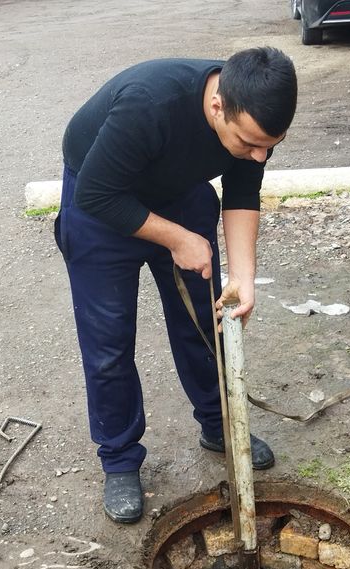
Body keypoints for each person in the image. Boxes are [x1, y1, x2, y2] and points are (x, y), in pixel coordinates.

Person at [55, 47, 297, 523]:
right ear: (216, 107)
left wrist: (243, 278)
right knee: (109, 343)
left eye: (270, 144)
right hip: (100, 201)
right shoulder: (150, 103)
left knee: (203, 323)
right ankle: (120, 460)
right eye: (249, 143)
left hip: (178, 192)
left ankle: (219, 425)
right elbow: (98, 195)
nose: (259, 154)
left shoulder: (255, 116)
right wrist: (177, 237)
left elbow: (244, 191)